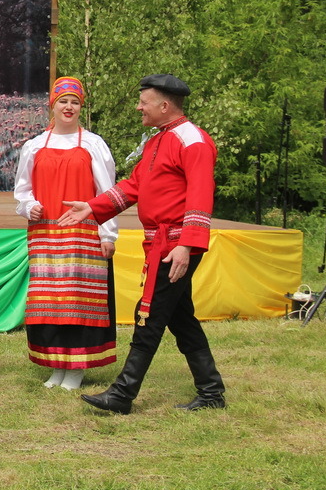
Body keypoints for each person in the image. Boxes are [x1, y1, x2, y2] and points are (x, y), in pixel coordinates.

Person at [60, 73, 226, 414]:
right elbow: (134, 186)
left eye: (143, 102)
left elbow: (200, 194)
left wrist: (186, 246)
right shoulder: (158, 141)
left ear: (164, 106)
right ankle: (211, 392)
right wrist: (92, 206)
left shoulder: (192, 140)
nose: (138, 108)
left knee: (148, 316)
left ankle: (123, 394)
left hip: (175, 245)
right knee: (181, 319)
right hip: (163, 244)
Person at [14, 77, 118, 391]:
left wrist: (108, 234)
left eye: (75, 102)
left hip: (82, 234)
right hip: (45, 234)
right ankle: (56, 364)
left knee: (77, 300)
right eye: (63, 101)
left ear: (81, 107)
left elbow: (107, 192)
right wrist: (29, 206)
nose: (69, 107)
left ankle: (77, 367)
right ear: (53, 105)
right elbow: (22, 190)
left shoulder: (93, 144)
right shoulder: (34, 146)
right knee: (51, 302)